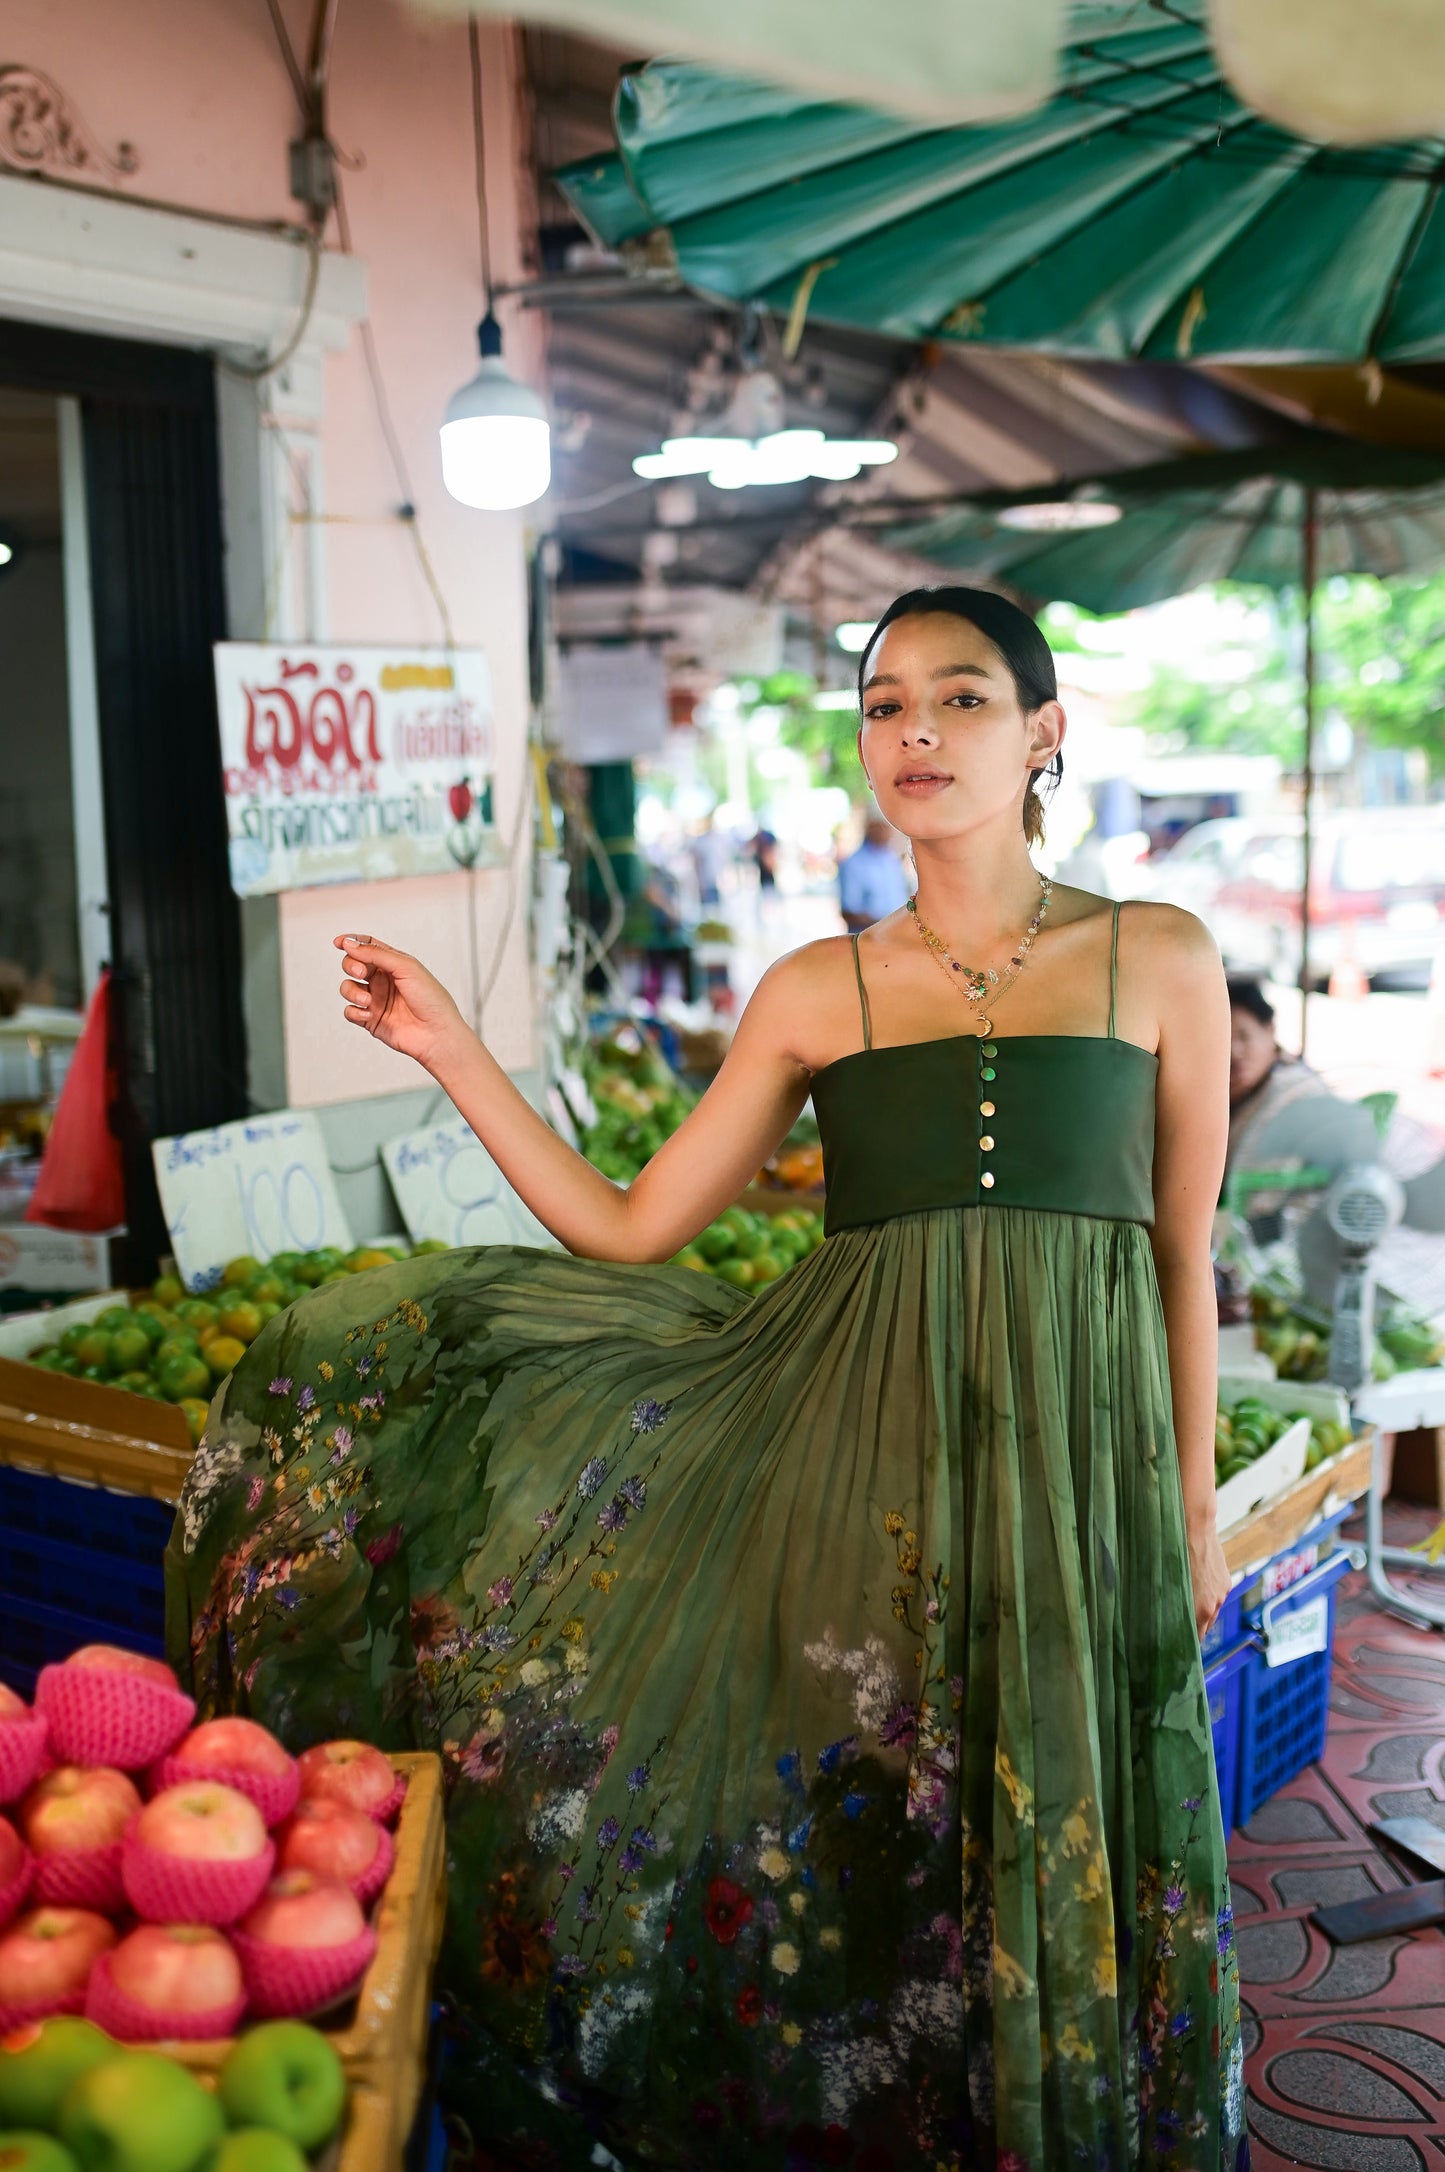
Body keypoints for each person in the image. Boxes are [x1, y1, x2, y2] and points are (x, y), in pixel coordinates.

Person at [168, 586, 1246, 2171]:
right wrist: (458, 1050)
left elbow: (1179, 1251)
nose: (919, 733)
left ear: (1044, 734)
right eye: (885, 705)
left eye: (960, 699)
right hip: (852, 1466)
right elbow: (630, 1225)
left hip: (1081, 1471)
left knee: (1059, 1798)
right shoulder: (817, 989)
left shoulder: (1158, 955)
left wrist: (1196, 1494)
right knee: (876, 1835)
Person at [1226, 976, 1329, 1182]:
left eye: (1244, 1036)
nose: (1234, 1052)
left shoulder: (1297, 1090)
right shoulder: (1238, 1092)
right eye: (1224, 1040)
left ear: (1270, 1030)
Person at [837, 813, 911, 932]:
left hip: (896, 938)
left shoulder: (891, 859)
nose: (889, 832)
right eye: (883, 826)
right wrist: (889, 924)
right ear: (871, 827)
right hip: (868, 940)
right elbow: (849, 912)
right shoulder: (853, 864)